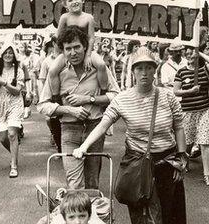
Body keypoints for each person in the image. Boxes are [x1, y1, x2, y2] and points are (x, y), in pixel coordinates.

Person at [73, 46, 187, 224]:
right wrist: (83, 147)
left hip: (167, 162)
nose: (144, 73)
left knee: (170, 213)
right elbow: (103, 125)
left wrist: (181, 157)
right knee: (141, 215)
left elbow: (179, 126)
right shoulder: (122, 99)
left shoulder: (167, 96)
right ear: (133, 71)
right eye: (139, 68)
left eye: (149, 68)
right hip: (138, 164)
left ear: (154, 70)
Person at [37, 26, 120, 190]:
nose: (73, 53)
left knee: (92, 183)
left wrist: (89, 99)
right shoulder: (58, 72)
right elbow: (42, 106)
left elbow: (116, 95)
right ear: (63, 51)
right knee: (74, 184)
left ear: (84, 47)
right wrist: (68, 110)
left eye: (77, 47)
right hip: (69, 129)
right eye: (68, 49)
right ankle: (76, 213)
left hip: (95, 128)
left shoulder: (97, 68)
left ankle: (91, 214)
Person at [49, 0, 108, 97]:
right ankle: (56, 97)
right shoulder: (64, 17)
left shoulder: (89, 18)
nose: (74, 2)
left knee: (101, 65)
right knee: (52, 70)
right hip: (68, 51)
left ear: (83, 1)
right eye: (70, 0)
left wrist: (88, 56)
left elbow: (91, 38)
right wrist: (63, 55)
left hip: (86, 50)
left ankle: (104, 91)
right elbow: (58, 37)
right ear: (65, 4)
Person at [0, 42, 24, 178]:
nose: (8, 55)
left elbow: (18, 90)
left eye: (11, 53)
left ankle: (13, 165)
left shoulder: (18, 70)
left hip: (14, 104)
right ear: (1, 55)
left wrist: (5, 83)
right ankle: (14, 153)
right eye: (6, 52)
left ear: (14, 55)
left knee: (12, 134)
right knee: (2, 138)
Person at [174, 47, 209, 186]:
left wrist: (200, 52)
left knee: (205, 142)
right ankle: (183, 162)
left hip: (204, 111)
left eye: (192, 52)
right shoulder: (181, 72)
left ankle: (207, 174)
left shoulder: (205, 69)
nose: (189, 55)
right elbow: (176, 91)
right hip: (188, 112)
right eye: (187, 53)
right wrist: (190, 91)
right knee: (187, 143)